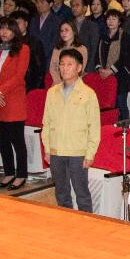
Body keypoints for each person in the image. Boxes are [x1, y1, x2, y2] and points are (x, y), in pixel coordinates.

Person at [41, 48, 101, 212]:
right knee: (61, 194)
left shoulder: (89, 94)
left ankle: (86, 228)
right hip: (57, 151)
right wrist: (47, 149)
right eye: (62, 64)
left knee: (82, 194)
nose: (64, 68)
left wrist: (90, 153)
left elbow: (94, 127)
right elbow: (46, 123)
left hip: (78, 152)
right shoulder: (52, 92)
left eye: (69, 64)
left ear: (79, 68)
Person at [0, 16, 31, 190]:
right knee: (3, 140)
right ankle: (9, 172)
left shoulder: (23, 49)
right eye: (2, 28)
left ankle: (22, 174)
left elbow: (19, 76)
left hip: (13, 102)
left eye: (8, 29)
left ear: (15, 31)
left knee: (17, 141)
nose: (4, 32)